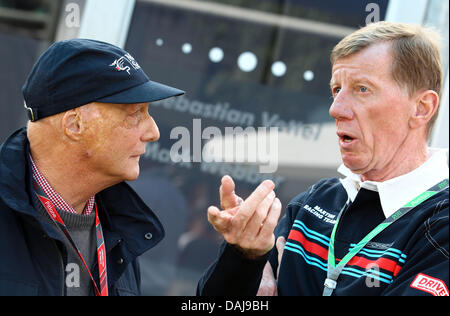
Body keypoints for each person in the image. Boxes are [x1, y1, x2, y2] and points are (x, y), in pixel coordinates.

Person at [197, 21, 449, 296]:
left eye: (362, 89)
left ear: (421, 108)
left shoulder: (441, 224)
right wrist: (243, 257)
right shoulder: (313, 202)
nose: (335, 109)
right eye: (337, 89)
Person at [0, 39, 184, 296]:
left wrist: (241, 262)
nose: (153, 132)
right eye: (135, 113)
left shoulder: (119, 230)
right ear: (75, 125)